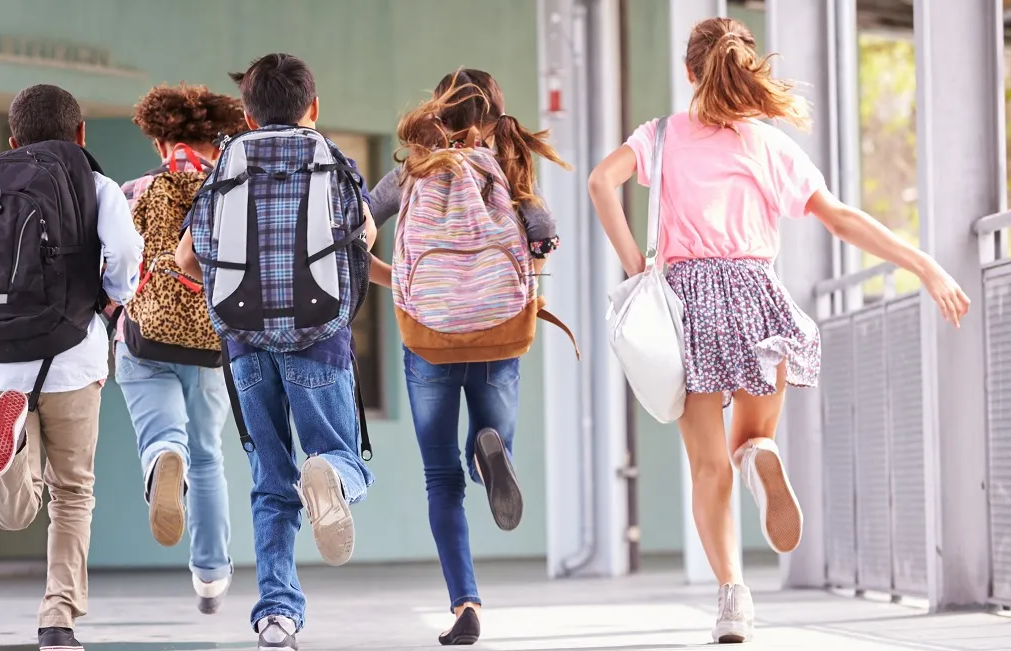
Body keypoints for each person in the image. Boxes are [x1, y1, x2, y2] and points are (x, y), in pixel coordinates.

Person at [588, 17, 970, 644]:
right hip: (758, 298)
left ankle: (732, 598)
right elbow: (840, 218)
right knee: (750, 441)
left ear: (689, 72)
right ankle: (761, 456)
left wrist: (637, 263)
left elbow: (603, 182)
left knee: (708, 470)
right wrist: (923, 263)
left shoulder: (661, 136)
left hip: (688, 306)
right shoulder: (766, 145)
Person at [0, 83, 143, 651]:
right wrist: (113, 296)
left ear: (13, 138)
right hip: (73, 358)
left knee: (15, 512)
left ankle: (9, 457)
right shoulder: (96, 185)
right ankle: (57, 616)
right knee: (72, 493)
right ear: (81, 135)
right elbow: (123, 255)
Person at [175, 53, 378, 651]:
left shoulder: (226, 164)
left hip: (243, 341)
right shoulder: (331, 160)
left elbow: (189, 257)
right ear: (312, 109)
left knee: (270, 478)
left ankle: (277, 616)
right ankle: (333, 479)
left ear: (246, 112)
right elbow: (363, 236)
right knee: (346, 458)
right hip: (319, 338)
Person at [372, 68, 568, 646]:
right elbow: (541, 242)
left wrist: (399, 283)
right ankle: (491, 454)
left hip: (428, 335)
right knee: (491, 441)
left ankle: (464, 604)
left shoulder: (410, 171)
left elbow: (354, 229)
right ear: (491, 122)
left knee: (440, 479)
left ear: (438, 114)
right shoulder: (510, 173)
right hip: (497, 332)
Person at [114, 83, 245, 615]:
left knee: (165, 438)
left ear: (158, 142)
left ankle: (163, 458)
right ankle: (211, 575)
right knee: (209, 457)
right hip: (212, 346)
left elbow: (115, 268)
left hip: (145, 339)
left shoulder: (135, 191)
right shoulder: (234, 191)